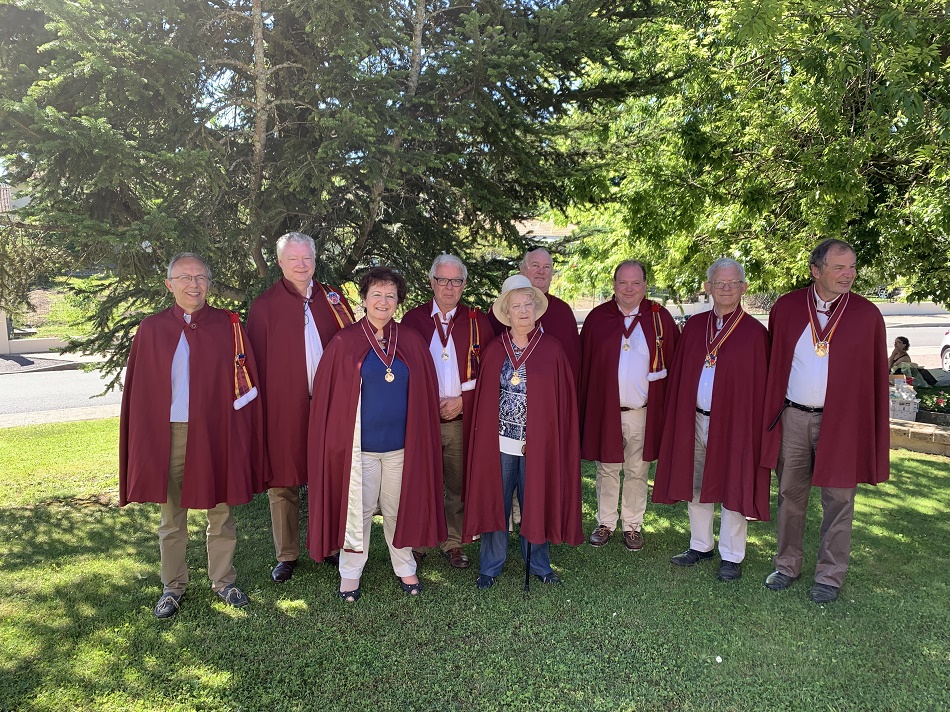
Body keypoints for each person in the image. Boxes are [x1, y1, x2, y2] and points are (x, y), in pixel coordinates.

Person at [119, 252, 263, 618]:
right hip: (169, 433)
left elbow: (243, 384)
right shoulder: (152, 329)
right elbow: (140, 390)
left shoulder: (228, 325)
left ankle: (224, 581)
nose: (193, 284)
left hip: (215, 431)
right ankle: (173, 587)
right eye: (184, 277)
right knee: (172, 516)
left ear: (209, 284)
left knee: (221, 511)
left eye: (200, 277)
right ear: (169, 284)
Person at [306, 267, 446, 602]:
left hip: (401, 448)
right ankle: (350, 572)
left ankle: (404, 565)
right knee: (359, 512)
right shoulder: (344, 343)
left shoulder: (410, 340)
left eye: (390, 295)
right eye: (377, 295)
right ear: (365, 298)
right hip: (360, 450)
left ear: (398, 301)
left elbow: (425, 393)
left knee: (399, 510)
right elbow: (329, 399)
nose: (383, 301)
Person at [761, 239, 889, 603]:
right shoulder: (786, 308)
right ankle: (787, 565)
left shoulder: (866, 315)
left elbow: (874, 378)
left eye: (852, 267)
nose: (848, 275)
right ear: (815, 271)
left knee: (839, 498)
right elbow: (774, 364)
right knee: (790, 494)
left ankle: (830, 575)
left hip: (842, 422)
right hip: (794, 416)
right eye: (839, 268)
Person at [652, 258, 771, 581]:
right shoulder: (694, 327)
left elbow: (759, 387)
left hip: (734, 425)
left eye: (733, 283)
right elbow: (680, 375)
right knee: (695, 483)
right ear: (708, 287)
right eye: (720, 283)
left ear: (744, 287)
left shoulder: (755, 333)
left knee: (734, 484)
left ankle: (732, 554)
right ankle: (700, 545)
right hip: (694, 419)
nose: (726, 289)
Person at [462, 274, 583, 589]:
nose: (523, 311)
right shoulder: (494, 350)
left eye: (528, 304)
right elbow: (484, 400)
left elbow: (561, 403)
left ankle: (539, 563)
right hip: (500, 443)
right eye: (516, 306)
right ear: (507, 311)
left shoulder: (552, 350)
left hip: (537, 445)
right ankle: (491, 566)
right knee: (496, 503)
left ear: (535, 308)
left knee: (536, 502)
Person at [247, 232, 355, 583]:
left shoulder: (334, 300)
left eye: (306, 257)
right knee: (283, 480)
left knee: (332, 473)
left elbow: (353, 347)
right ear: (280, 262)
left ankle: (332, 544)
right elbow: (254, 364)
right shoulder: (265, 306)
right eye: (293, 258)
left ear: (315, 259)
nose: (301, 264)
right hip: (283, 408)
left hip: (330, 405)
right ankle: (287, 554)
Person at [578, 260, 679, 551]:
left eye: (635, 283)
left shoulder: (659, 319)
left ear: (645, 285)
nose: (629, 289)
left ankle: (632, 525)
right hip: (606, 411)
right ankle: (605, 522)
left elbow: (675, 364)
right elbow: (585, 365)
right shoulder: (598, 318)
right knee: (607, 468)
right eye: (623, 282)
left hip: (642, 411)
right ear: (614, 285)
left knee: (637, 470)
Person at [401, 255, 493, 569]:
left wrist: (464, 402)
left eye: (456, 281)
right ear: (432, 282)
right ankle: (419, 543)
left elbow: (491, 373)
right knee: (421, 483)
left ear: (464, 284)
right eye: (443, 280)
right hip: (422, 422)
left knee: (457, 485)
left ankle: (453, 542)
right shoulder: (413, 320)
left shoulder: (478, 322)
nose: (449, 287)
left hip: (460, 420)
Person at [487, 248, 581, 380]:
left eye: (546, 267)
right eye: (535, 265)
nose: (541, 271)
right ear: (522, 270)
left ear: (552, 274)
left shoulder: (563, 312)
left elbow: (573, 363)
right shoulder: (501, 311)